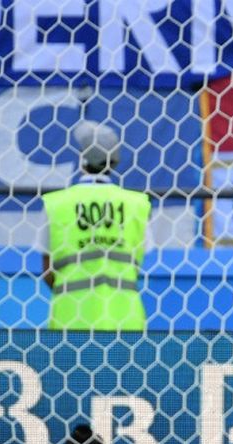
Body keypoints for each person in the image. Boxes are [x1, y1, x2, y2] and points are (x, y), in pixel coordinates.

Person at [38, 121, 151, 330]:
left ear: (82, 158)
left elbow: (47, 270)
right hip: (125, 319)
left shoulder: (57, 204)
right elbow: (136, 264)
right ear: (115, 163)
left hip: (70, 319)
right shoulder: (137, 204)